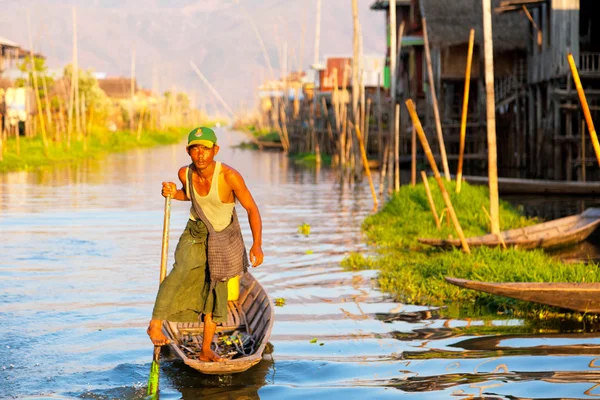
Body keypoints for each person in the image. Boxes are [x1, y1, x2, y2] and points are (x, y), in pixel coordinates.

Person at [147, 127, 264, 362]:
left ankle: (206, 349)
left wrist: (257, 245)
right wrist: (173, 193)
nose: (200, 154)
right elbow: (190, 195)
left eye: (205, 149)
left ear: (215, 150)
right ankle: (155, 324)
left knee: (216, 289)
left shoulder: (229, 176)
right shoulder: (185, 173)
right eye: (195, 149)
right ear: (189, 151)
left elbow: (251, 208)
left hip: (223, 237)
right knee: (182, 270)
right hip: (196, 231)